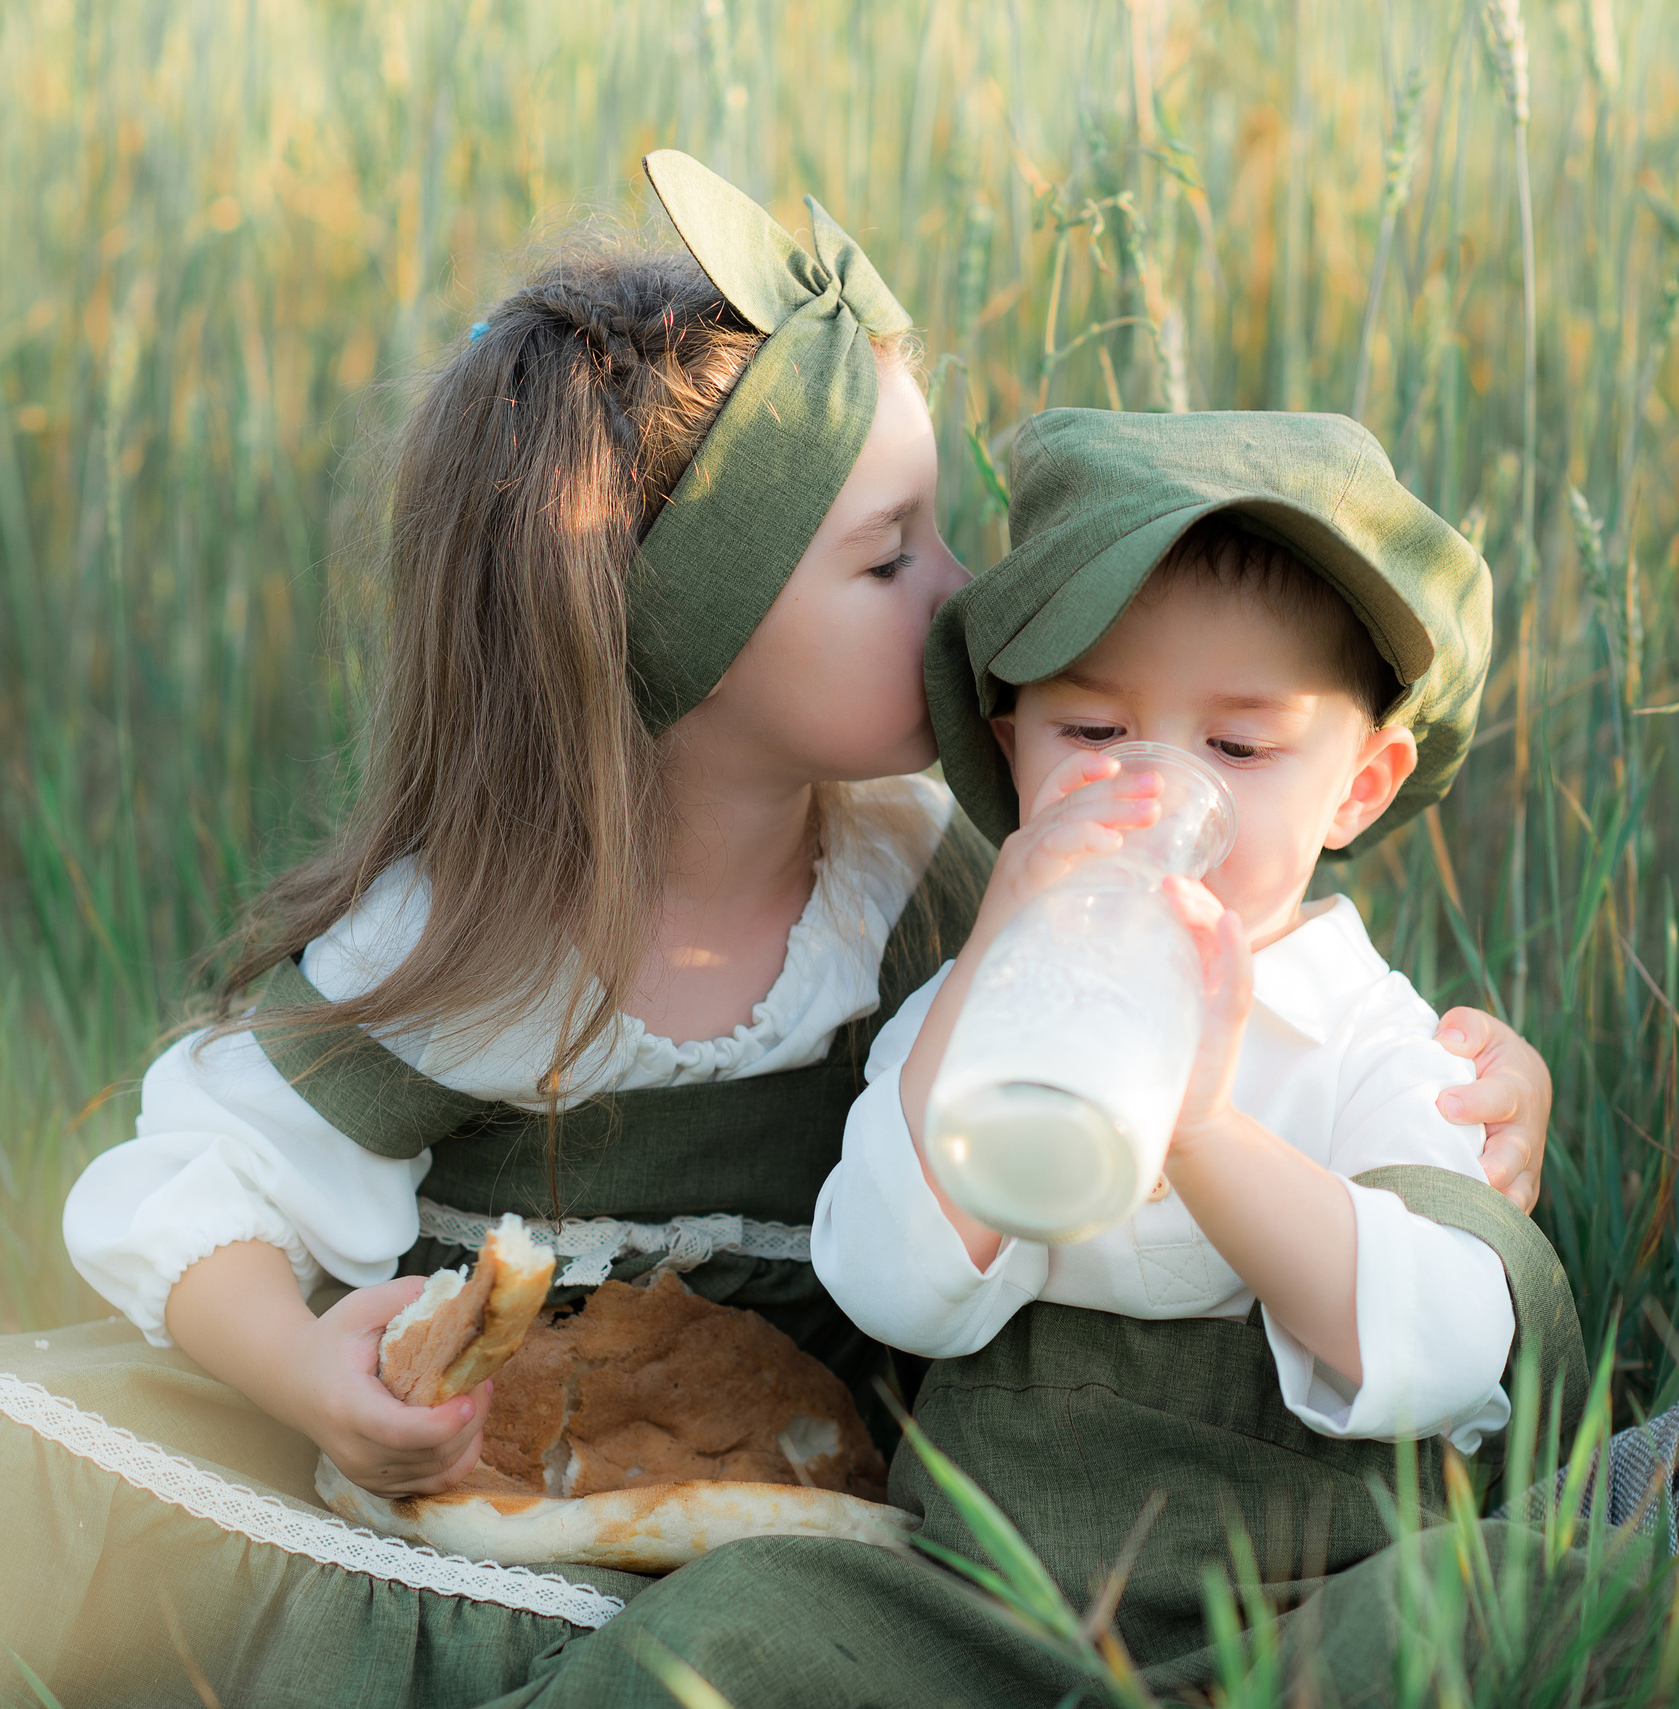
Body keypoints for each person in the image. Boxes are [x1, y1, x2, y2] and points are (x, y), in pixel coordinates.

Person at [0, 159, 1552, 1709]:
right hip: (459, 1469)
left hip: (779, 1513)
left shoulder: (936, 874)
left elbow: (1244, 989)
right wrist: (306, 1376)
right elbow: (190, 1176)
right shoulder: (478, 946)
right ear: (675, 638)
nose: (970, 601)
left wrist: (1467, 1098)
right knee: (20, 1462)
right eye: (890, 555)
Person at [492, 408, 1599, 1709]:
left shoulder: (1377, 1038)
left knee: (1446, 1615)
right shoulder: (967, 1010)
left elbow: (1450, 1341)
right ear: (1009, 737)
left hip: (1297, 1591)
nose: (1153, 787)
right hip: (980, 1596)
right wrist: (989, 999)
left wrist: (1202, 1132)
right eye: (1094, 733)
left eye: (1238, 747)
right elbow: (893, 1290)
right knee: (730, 1629)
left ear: (1360, 785)